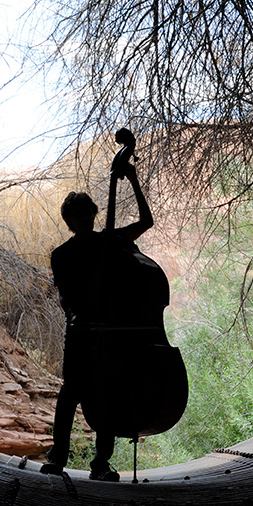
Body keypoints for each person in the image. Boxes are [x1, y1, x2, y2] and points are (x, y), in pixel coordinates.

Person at [41, 162, 153, 481]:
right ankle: (58, 458)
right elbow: (64, 295)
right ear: (69, 221)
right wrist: (76, 316)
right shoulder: (61, 255)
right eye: (76, 215)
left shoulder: (112, 241)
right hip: (80, 332)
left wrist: (132, 179)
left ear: (93, 213)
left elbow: (146, 221)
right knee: (70, 394)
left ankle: (101, 464)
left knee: (109, 394)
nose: (83, 218)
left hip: (114, 332)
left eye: (86, 212)